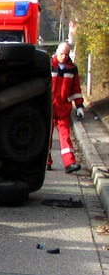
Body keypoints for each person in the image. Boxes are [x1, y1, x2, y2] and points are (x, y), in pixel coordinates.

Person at [50, 40, 86, 174]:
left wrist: (80, 106)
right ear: (56, 53)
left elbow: (76, 90)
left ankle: (69, 163)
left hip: (63, 108)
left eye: (66, 54)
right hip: (49, 108)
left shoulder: (72, 69)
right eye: (61, 54)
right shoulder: (48, 66)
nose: (64, 57)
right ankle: (46, 162)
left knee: (65, 137)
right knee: (47, 137)